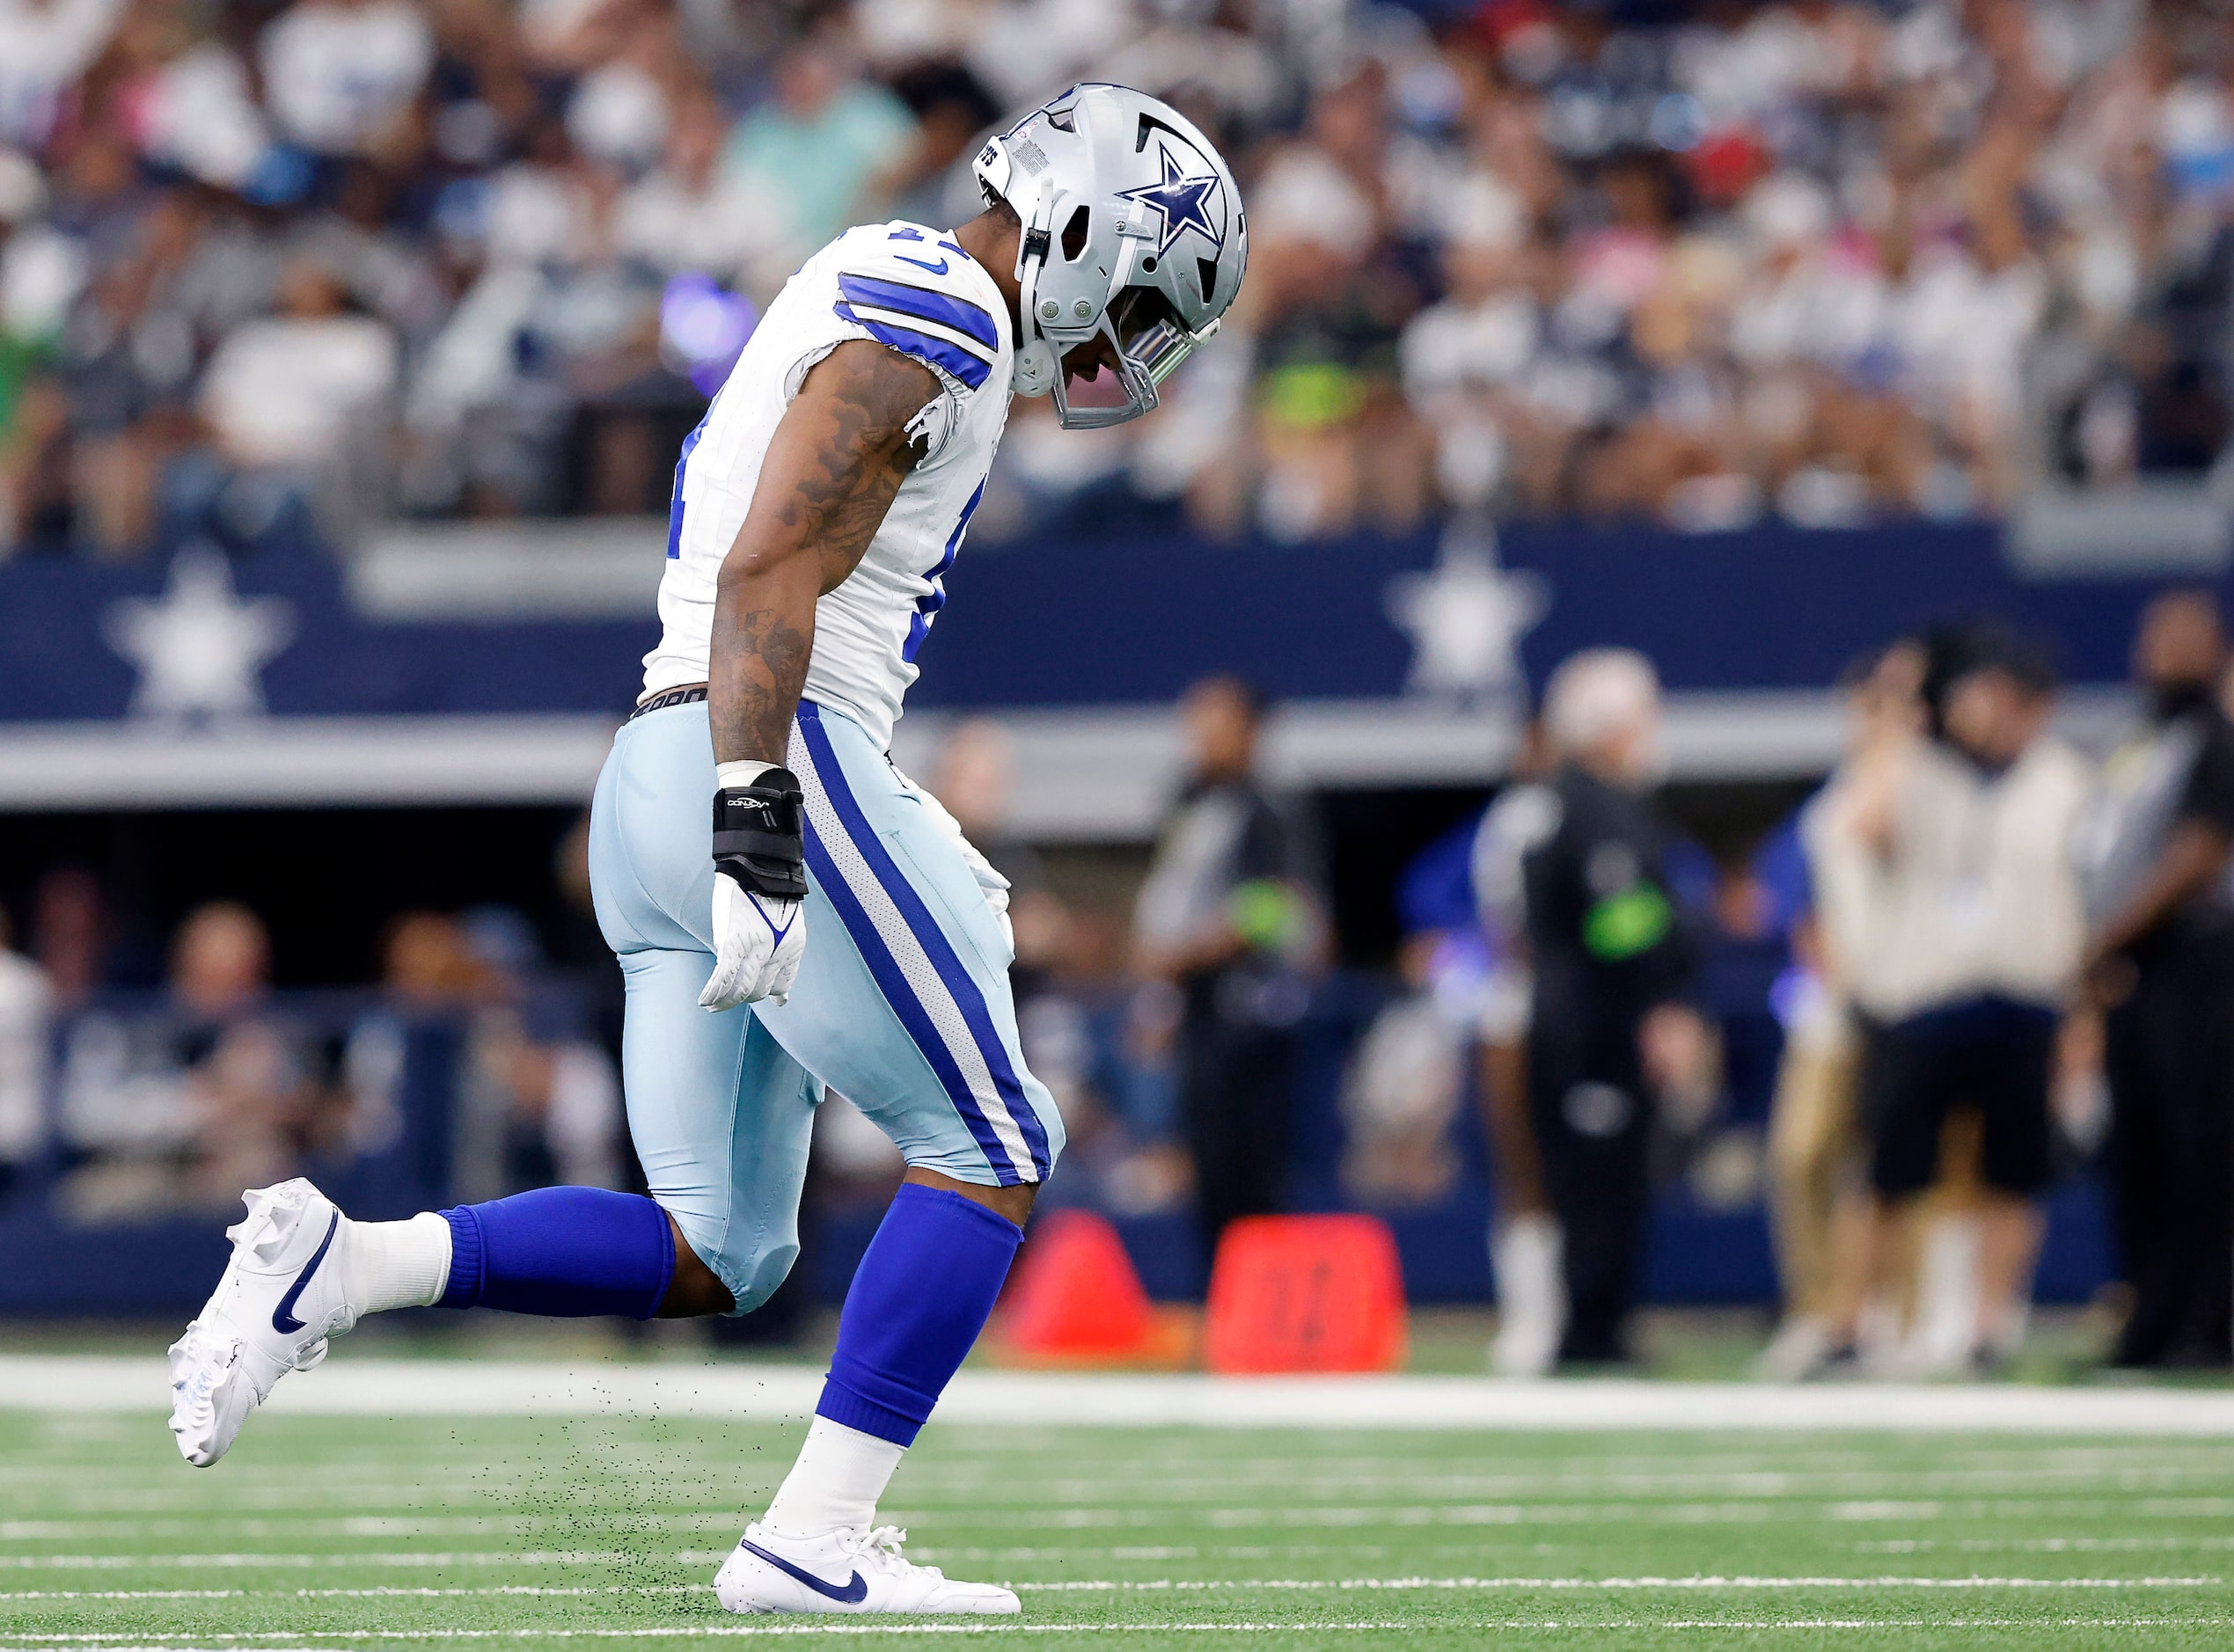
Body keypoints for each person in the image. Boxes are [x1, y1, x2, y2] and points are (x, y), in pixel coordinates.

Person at [165, 83, 1248, 1619]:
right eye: (1139, 298)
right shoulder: (939, 304)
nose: (1124, 342)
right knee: (995, 1142)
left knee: (715, 1248)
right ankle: (815, 1533)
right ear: (1080, 228)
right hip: (762, 749)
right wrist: (760, 816)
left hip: (654, 771)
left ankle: (343, 1263)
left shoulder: (896, 278)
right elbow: (767, 573)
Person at [1825, 628, 2091, 1374]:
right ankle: (1858, 1324)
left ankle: (1985, 1325)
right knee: (1887, 1172)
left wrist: (2081, 1017)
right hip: (1926, 998)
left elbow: (2083, 900)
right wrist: (1901, 721)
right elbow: (1865, 827)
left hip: (2024, 997)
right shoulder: (1916, 768)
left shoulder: (2062, 781)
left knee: (2010, 1176)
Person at [1485, 649, 1706, 1366]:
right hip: (1591, 1026)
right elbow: (1617, 921)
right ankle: (1587, 1330)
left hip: (1587, 1019)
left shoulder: (1590, 804)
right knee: (1595, 1182)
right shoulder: (1585, 809)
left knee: (1610, 1179)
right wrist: (1662, 995)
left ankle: (1598, 1324)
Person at [2079, 591, 2234, 1369]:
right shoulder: (2137, 741)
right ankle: (2151, 1318)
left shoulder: (2214, 738)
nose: (2163, 651)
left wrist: (2106, 933)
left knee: (2198, 1149)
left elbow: (2199, 850)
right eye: (2154, 634)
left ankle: (2207, 1324)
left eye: (2182, 638)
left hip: (2198, 968)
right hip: (2134, 974)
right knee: (2137, 1152)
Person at [1132, 676, 1316, 1264]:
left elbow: (1277, 908)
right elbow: (1169, 897)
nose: (1201, 737)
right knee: (1204, 1159)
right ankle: (1217, 1294)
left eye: (1216, 723)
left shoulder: (1270, 807)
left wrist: (1193, 951)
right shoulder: (1187, 801)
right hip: (1198, 1011)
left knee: (1253, 1164)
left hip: (1254, 1014)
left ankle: (1258, 1295)